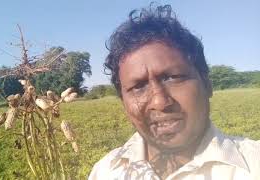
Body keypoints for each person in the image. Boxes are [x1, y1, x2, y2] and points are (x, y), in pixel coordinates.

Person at [88, 3, 260, 180]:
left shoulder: (253, 165)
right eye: (138, 86)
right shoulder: (105, 171)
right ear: (123, 102)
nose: (159, 102)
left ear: (207, 85)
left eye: (173, 77)